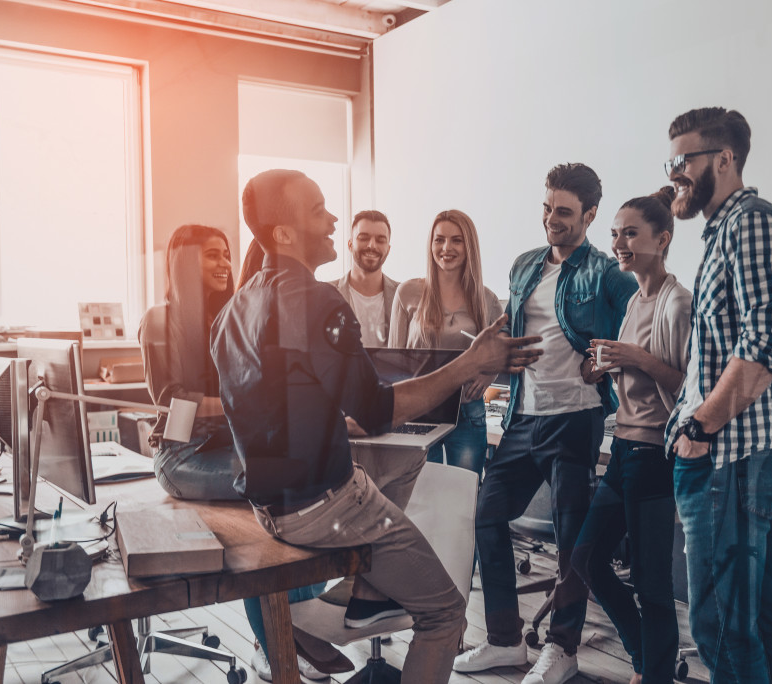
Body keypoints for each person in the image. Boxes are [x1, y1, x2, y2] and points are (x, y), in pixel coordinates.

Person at [209, 169, 542, 684]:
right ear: (283, 233)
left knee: (407, 458)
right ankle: (357, 598)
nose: (334, 219)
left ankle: (362, 596)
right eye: (319, 209)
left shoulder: (236, 306)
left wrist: (323, 416)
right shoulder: (318, 300)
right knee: (444, 613)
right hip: (325, 507)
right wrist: (470, 362)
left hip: (268, 505)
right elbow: (377, 410)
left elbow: (272, 400)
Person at [139, 225, 351, 681]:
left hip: (232, 449)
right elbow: (173, 401)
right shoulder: (160, 320)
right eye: (212, 255)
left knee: (303, 484)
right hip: (183, 456)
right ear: (182, 260)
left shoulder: (232, 314)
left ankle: (298, 623)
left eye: (227, 255)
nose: (224, 264)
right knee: (283, 479)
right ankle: (282, 640)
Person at [663, 107, 772, 683]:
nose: (673, 174)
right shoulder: (723, 230)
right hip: (722, 455)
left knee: (720, 627)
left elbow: (763, 347)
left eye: (683, 160)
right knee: (759, 614)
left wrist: (699, 428)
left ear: (724, 159)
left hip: (729, 454)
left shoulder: (752, 224)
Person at [454, 163, 638, 684]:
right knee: (487, 517)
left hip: (574, 420)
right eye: (547, 208)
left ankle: (563, 648)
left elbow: (639, 329)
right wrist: (483, 365)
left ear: (589, 214)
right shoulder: (524, 265)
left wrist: (600, 362)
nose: (551, 219)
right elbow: (506, 327)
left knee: (570, 540)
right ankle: (505, 641)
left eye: (563, 211)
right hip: (521, 417)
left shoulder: (606, 274)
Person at [570, 188, 692, 684]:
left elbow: (692, 390)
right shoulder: (636, 300)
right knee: (587, 560)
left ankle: (655, 673)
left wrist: (634, 358)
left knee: (652, 586)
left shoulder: (677, 303)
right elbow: (629, 373)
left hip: (654, 456)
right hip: (623, 449)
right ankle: (650, 662)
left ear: (662, 240)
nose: (619, 243)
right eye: (615, 233)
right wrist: (600, 368)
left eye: (631, 233)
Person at [389, 209, 503, 475]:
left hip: (466, 411)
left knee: (463, 499)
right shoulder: (407, 292)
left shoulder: (486, 299)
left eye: (456, 240)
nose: (446, 248)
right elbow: (394, 361)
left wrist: (488, 376)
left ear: (469, 246)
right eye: (439, 239)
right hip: (418, 413)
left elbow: (500, 352)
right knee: (421, 500)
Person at [331, 210, 399, 347]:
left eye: (380, 240)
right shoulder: (327, 293)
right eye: (363, 238)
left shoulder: (403, 295)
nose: (372, 245)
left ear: (388, 249)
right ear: (350, 245)